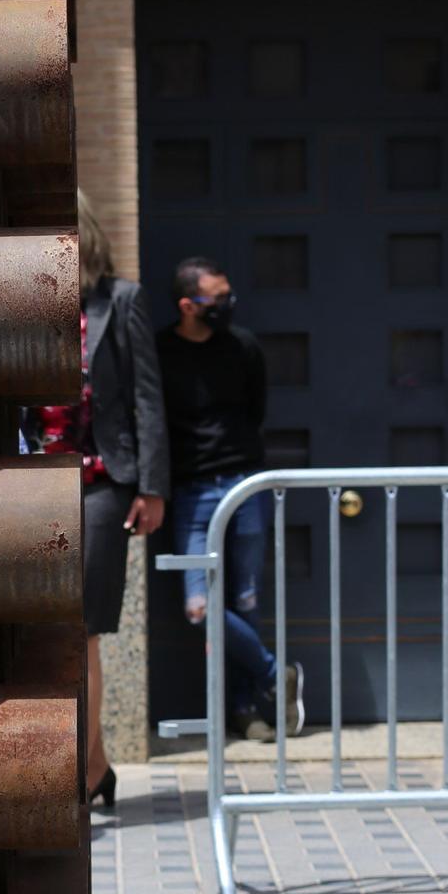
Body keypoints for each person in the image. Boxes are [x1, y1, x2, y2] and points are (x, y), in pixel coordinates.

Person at [34, 192, 169, 807]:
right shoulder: (25, 299)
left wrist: (152, 486)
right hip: (27, 484)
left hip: (100, 484)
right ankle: (92, 764)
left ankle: (85, 774)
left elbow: (147, 398)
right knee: (45, 629)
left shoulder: (122, 301)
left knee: (81, 630)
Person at [156, 255, 303, 741]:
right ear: (187, 305)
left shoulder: (243, 347)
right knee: (200, 607)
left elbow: (255, 409)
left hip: (244, 485)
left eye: (227, 295)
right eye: (215, 299)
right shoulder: (160, 352)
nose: (226, 305)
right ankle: (273, 674)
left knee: (245, 601)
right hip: (192, 493)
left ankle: (245, 710)